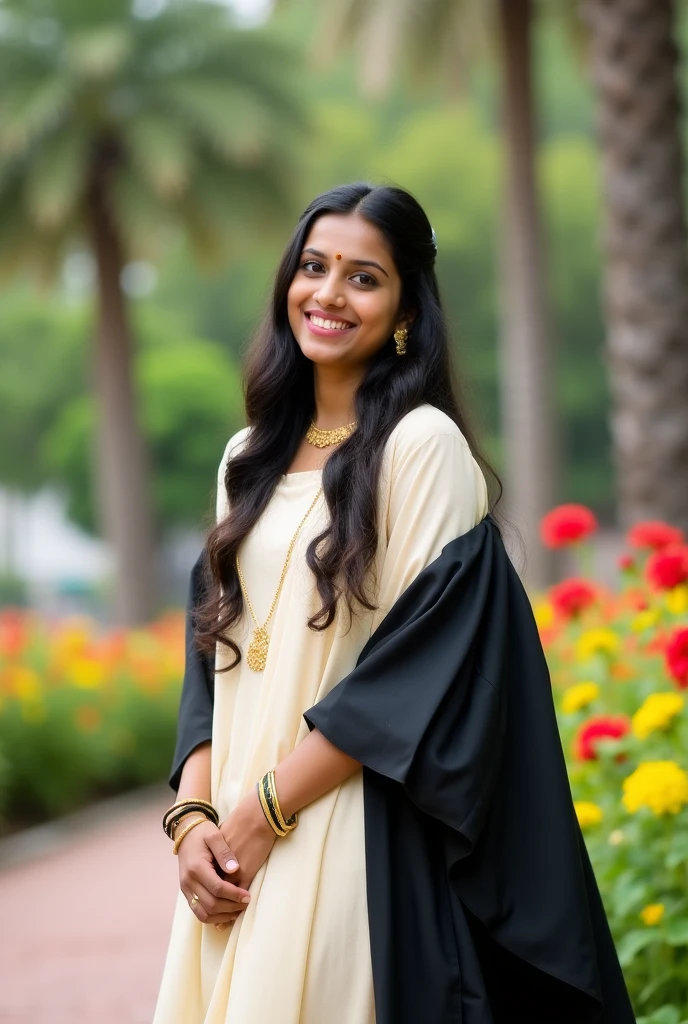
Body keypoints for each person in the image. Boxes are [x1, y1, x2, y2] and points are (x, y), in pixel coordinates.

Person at [153, 183, 634, 1024]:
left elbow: (420, 671)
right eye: (313, 267)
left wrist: (267, 815)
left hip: (339, 835)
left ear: (408, 307)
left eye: (363, 277)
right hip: (230, 846)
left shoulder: (422, 448)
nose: (329, 294)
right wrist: (194, 821)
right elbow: (214, 651)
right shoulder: (245, 458)